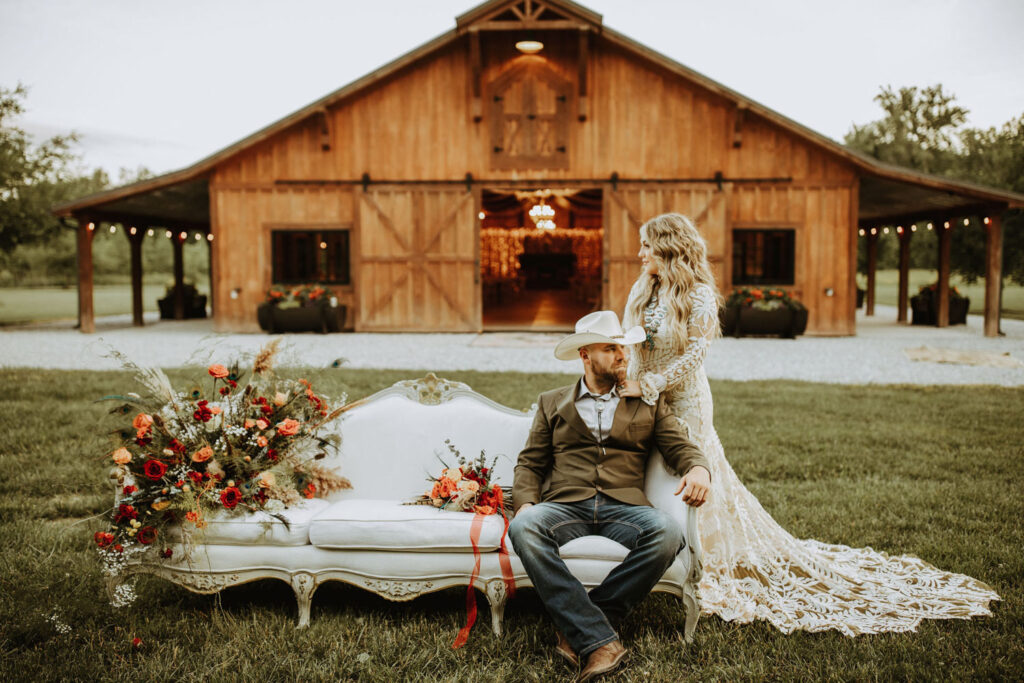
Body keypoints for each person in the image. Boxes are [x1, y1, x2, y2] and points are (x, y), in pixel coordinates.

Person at [618, 212, 999, 635]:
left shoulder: (700, 295)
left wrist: (651, 382)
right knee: (655, 469)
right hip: (647, 399)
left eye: (646, 246)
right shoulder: (644, 289)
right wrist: (628, 376)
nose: (639, 254)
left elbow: (694, 357)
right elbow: (635, 341)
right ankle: (664, 553)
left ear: (670, 248)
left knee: (691, 472)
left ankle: (699, 561)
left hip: (684, 400)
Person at [509, 310, 711, 681]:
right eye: (610, 348)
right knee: (523, 528)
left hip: (625, 506)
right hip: (565, 505)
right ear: (585, 355)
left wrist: (698, 468)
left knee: (667, 533)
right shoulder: (552, 402)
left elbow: (679, 446)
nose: (623, 356)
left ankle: (582, 627)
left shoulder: (646, 402)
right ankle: (601, 639)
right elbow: (530, 464)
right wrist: (525, 505)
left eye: (623, 348)